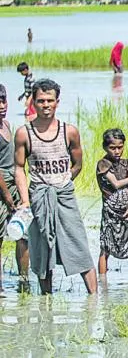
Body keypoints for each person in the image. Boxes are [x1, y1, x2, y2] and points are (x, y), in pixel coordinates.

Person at [13, 79, 97, 294]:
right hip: (39, 196)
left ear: (57, 102)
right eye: (41, 101)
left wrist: (65, 182)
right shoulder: (25, 133)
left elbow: (77, 164)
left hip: (64, 195)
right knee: (42, 252)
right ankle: (46, 300)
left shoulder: (69, 131)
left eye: (50, 100)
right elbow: (19, 168)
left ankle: (94, 300)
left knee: (78, 246)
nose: (46, 105)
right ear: (33, 102)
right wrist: (24, 200)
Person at [96, 128, 128, 275]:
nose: (116, 151)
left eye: (120, 147)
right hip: (110, 212)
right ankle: (102, 282)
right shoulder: (103, 164)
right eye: (112, 148)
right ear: (105, 147)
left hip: (125, 211)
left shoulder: (125, 164)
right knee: (106, 247)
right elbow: (116, 184)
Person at [0, 83, 29, 285]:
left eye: (3, 100)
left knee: (23, 233)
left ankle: (24, 279)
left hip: (15, 183)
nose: (2, 106)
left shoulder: (7, 125)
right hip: (2, 186)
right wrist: (8, 197)